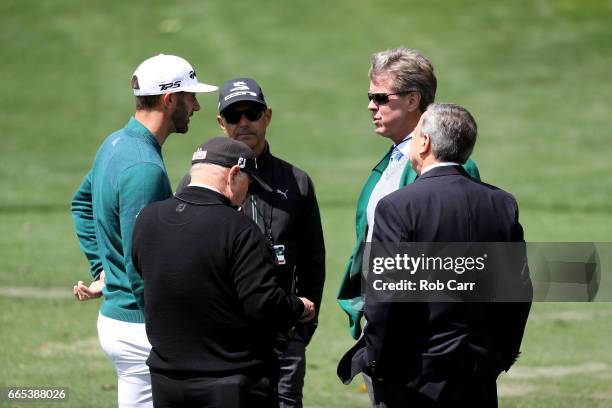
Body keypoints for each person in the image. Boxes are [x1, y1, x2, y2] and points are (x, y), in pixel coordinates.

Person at [338, 103, 532, 407]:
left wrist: (377, 360)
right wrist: (502, 355)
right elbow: (518, 291)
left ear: (425, 143)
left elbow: (386, 297)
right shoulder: (502, 204)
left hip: (413, 376)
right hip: (478, 372)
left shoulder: (399, 207)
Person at [70, 54, 217, 407]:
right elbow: (145, 260)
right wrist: (168, 325)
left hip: (121, 321)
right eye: (190, 96)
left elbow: (81, 204)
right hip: (142, 328)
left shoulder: (115, 143)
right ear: (169, 99)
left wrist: (102, 269)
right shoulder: (143, 167)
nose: (196, 106)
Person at [131, 137, 316, 408]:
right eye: (248, 184)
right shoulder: (239, 229)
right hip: (232, 382)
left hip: (166, 379)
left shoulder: (147, 219)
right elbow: (262, 304)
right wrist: (298, 307)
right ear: (234, 174)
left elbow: (143, 284)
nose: (248, 194)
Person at [176, 78, 325, 408]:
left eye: (252, 113)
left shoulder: (296, 181)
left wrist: (303, 329)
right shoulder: (196, 181)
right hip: (222, 342)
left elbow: (313, 260)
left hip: (284, 337)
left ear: (267, 116)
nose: (244, 123)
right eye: (233, 116)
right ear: (220, 123)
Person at [337, 47, 481, 342]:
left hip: (426, 334)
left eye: (380, 98)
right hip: (385, 323)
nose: (371, 106)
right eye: (370, 98)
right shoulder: (393, 159)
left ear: (413, 100)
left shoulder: (452, 164)